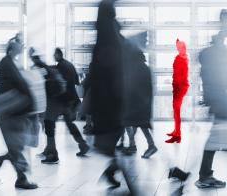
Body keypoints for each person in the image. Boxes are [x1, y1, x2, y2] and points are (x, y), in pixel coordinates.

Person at [195, 10, 227, 195]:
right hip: (219, 100)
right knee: (226, 133)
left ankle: (204, 175)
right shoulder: (215, 52)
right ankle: (204, 175)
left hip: (219, 99)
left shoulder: (216, 50)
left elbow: (223, 78)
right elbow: (222, 78)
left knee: (220, 136)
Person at [90, 0, 138, 194]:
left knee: (107, 146)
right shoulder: (113, 40)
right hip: (113, 102)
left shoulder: (103, 40)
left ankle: (115, 174)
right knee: (108, 146)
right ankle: (125, 183)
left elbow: (100, 75)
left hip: (106, 103)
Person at [0, 41, 38, 189]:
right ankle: (21, 178)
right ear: (11, 48)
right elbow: (19, 83)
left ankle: (6, 160)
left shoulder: (11, 62)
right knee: (15, 144)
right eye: (18, 45)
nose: (21, 47)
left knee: (16, 143)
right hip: (8, 106)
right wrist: (31, 100)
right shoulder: (7, 62)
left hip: (10, 107)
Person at [40, 48, 89, 164]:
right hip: (71, 99)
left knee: (49, 123)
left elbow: (57, 82)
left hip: (61, 99)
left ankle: (51, 153)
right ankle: (82, 144)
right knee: (69, 124)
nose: (53, 56)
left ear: (58, 54)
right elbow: (76, 82)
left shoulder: (61, 66)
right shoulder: (69, 65)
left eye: (54, 54)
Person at [121, 39, 158, 158]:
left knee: (134, 123)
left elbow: (132, 86)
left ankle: (142, 145)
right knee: (139, 125)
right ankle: (136, 145)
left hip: (137, 104)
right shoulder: (143, 67)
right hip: (142, 103)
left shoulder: (137, 69)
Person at [166, 39, 189, 143]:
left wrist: (177, 86)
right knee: (176, 111)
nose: (178, 49)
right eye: (177, 47)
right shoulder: (182, 57)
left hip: (180, 87)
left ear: (183, 47)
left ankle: (177, 136)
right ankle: (176, 131)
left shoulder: (181, 58)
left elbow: (180, 75)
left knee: (176, 111)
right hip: (179, 87)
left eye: (179, 47)